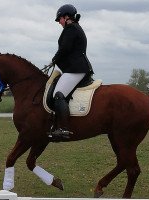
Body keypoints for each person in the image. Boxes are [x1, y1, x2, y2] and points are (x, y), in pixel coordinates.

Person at [48, 4, 94, 138]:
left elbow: (65, 49)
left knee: (58, 94)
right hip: (74, 68)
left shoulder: (71, 29)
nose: (59, 23)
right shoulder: (73, 28)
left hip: (76, 69)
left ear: (66, 17)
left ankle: (64, 128)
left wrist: (54, 59)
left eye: (59, 19)